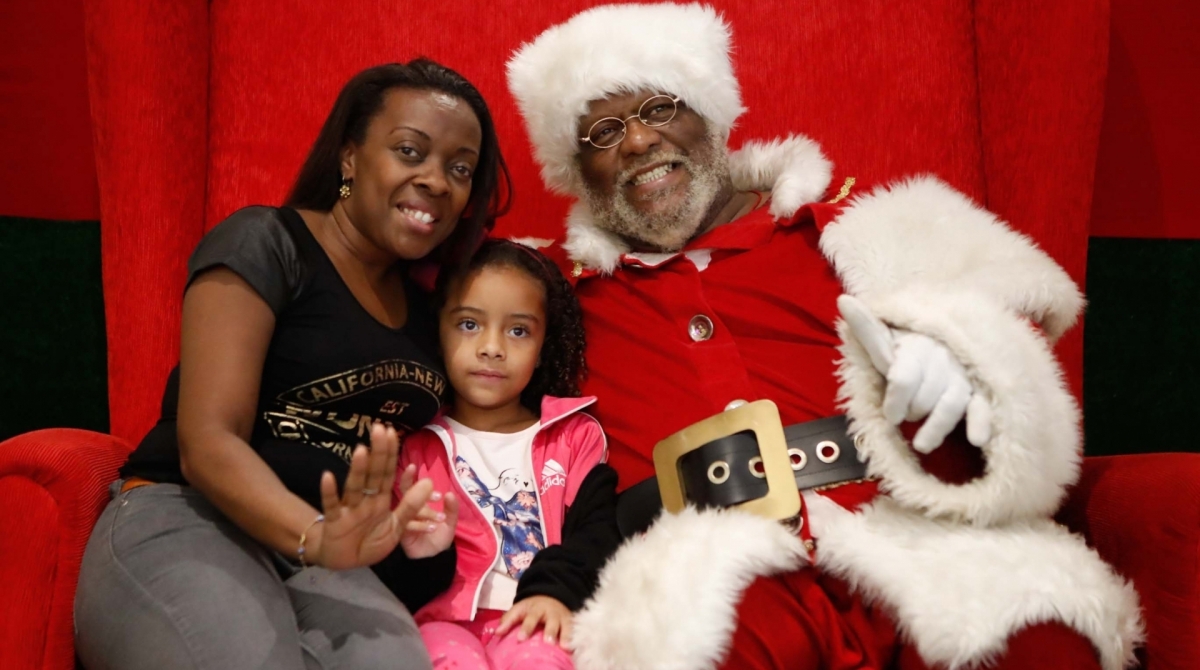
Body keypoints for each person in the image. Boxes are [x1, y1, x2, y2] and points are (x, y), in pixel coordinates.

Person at [506, 4, 1142, 670]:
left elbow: (1018, 332)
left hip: (921, 545)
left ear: (712, 117)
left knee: (1044, 640)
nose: (637, 142)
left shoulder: (860, 227)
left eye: (662, 108)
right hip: (705, 577)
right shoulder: (548, 295)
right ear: (578, 171)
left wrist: (968, 349)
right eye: (604, 131)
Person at [74, 58, 512, 670]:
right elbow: (207, 443)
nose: (437, 180)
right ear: (350, 157)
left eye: (460, 168)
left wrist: (412, 548)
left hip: (327, 560)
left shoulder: (432, 307)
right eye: (411, 151)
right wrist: (315, 534)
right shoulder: (267, 242)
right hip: (190, 516)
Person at [397, 239, 621, 670]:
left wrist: (555, 592)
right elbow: (391, 564)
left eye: (518, 331)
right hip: (439, 621)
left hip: (541, 614)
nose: (492, 347)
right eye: (468, 325)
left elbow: (597, 535)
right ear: (436, 332)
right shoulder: (413, 443)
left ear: (541, 350)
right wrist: (421, 556)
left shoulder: (574, 436)